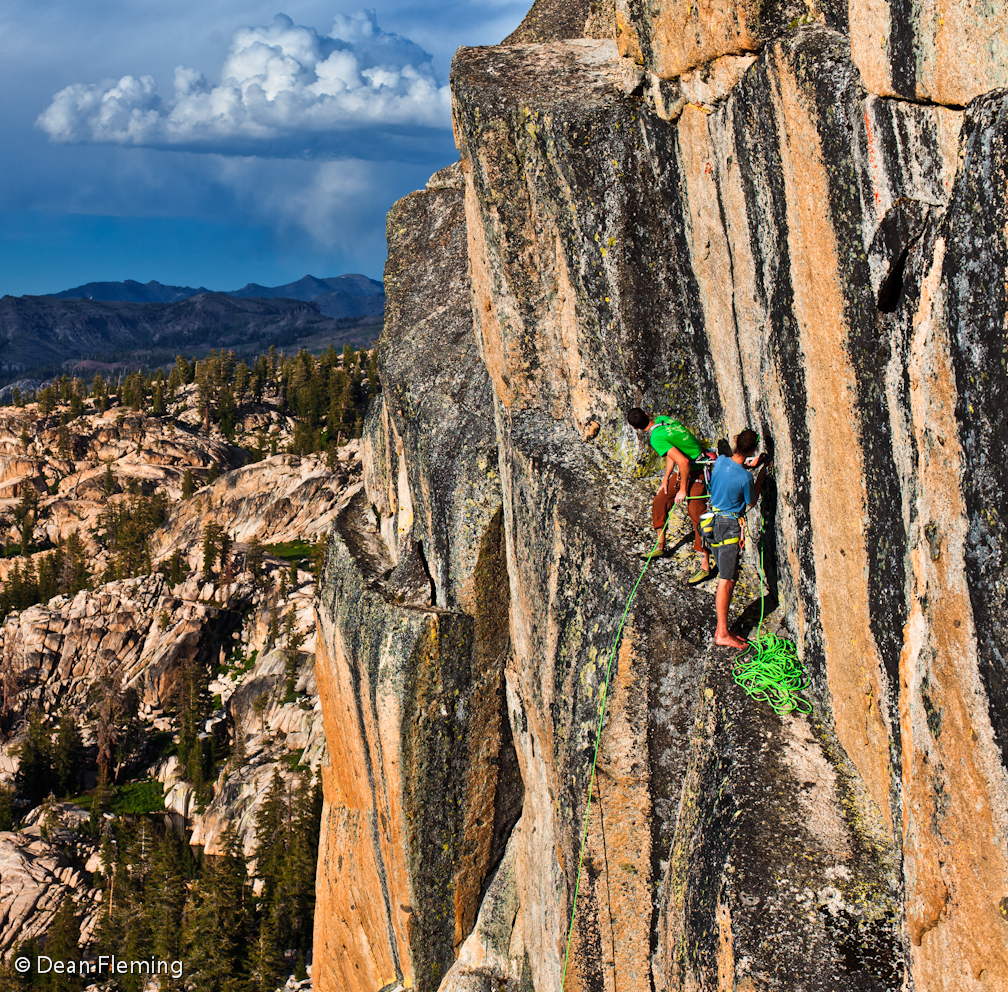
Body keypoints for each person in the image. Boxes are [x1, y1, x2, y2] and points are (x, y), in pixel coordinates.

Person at [628, 408, 710, 580]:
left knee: (696, 513)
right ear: (648, 415)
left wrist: (682, 490)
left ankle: (705, 564)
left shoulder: (656, 437)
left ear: (634, 428)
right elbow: (673, 453)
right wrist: (665, 480)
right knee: (660, 500)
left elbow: (684, 461)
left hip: (697, 470)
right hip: (684, 470)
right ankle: (660, 545)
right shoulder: (664, 420)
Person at [707, 428, 770, 649]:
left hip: (712, 523)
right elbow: (750, 503)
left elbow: (733, 469)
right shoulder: (745, 477)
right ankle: (722, 633)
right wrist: (759, 477)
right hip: (728, 528)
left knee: (727, 575)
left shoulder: (721, 461)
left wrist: (750, 465)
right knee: (727, 580)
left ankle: (723, 630)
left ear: (735, 442)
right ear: (752, 449)